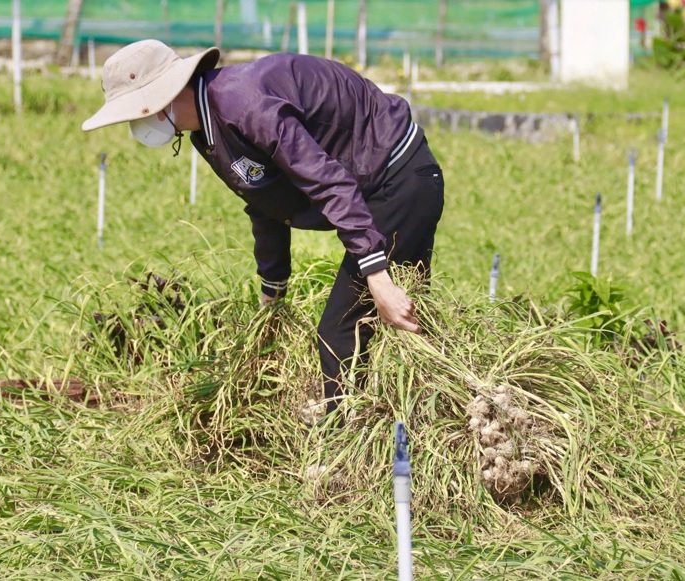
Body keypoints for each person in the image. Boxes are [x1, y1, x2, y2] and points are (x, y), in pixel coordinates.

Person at [82, 40, 444, 420]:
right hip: (378, 188)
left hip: (397, 179)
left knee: (340, 332)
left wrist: (376, 276)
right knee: (400, 323)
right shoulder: (210, 130)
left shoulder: (244, 103)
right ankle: (421, 421)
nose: (135, 126)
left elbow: (329, 182)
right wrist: (273, 292)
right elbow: (266, 202)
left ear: (159, 101)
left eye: (134, 116)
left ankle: (345, 451)